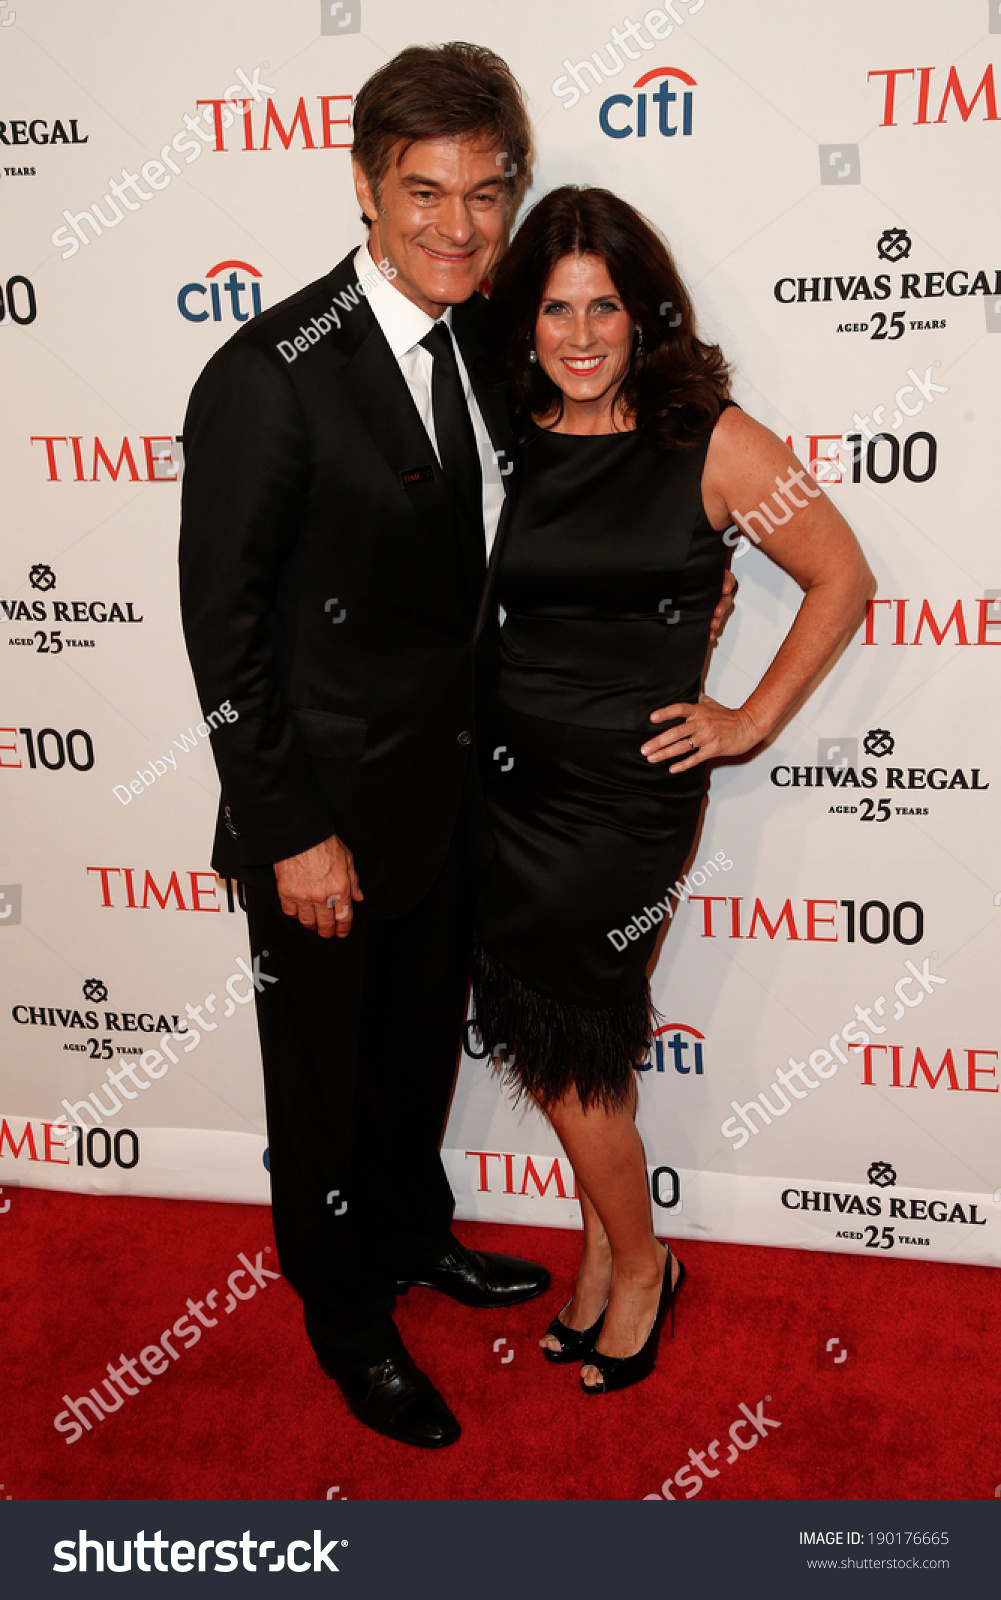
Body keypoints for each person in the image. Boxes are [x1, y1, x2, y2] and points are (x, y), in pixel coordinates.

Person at [177, 43, 556, 1452]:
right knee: (325, 1097)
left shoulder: (475, 345)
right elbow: (224, 634)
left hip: (444, 802)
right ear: (362, 188)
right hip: (321, 823)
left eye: (484, 194)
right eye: (424, 193)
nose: (457, 226)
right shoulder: (270, 375)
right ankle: (344, 1319)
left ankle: (412, 1241)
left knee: (410, 1066)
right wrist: (287, 826)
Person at [472, 186, 874, 1395]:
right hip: (497, 785)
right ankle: (599, 1249)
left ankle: (641, 1266)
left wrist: (745, 719)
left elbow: (840, 575)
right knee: (580, 1045)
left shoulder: (710, 437)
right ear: (524, 319)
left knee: (565, 1049)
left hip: (619, 805)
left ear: (643, 316)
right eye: (554, 307)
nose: (579, 334)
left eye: (603, 307)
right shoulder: (505, 425)